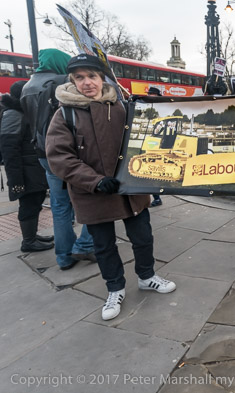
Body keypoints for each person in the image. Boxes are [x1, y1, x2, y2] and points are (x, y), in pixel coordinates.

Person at [45, 54, 176, 320]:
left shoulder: (121, 107)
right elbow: (59, 157)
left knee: (143, 237)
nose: (87, 83)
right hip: (92, 193)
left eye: (91, 76)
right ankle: (115, 288)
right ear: (72, 80)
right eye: (79, 77)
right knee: (104, 246)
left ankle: (147, 276)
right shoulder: (65, 113)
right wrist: (94, 181)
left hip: (130, 189)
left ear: (102, 78)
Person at [20, 48, 95, 270]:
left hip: (44, 153)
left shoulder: (27, 86)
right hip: (68, 152)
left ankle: (64, 256)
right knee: (91, 199)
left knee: (59, 205)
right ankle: (85, 244)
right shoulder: (62, 82)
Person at [0, 81, 54, 253]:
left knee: (36, 202)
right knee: (28, 204)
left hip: (32, 168)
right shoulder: (13, 114)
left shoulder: (23, 112)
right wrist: (16, 180)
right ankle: (28, 241)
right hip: (24, 171)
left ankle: (32, 236)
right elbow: (9, 149)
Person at [146, 87, 163, 207]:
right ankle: (156, 197)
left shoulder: (161, 108)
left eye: (152, 95)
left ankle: (157, 198)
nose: (150, 96)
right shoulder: (150, 107)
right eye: (149, 94)